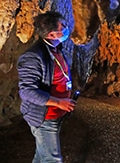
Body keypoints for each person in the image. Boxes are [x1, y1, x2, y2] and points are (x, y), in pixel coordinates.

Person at [17, 11, 76, 163]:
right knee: (52, 159)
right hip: (44, 118)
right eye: (62, 26)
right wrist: (58, 102)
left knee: (42, 156)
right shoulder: (34, 56)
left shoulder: (55, 49)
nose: (66, 28)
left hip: (55, 114)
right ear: (51, 34)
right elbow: (27, 92)